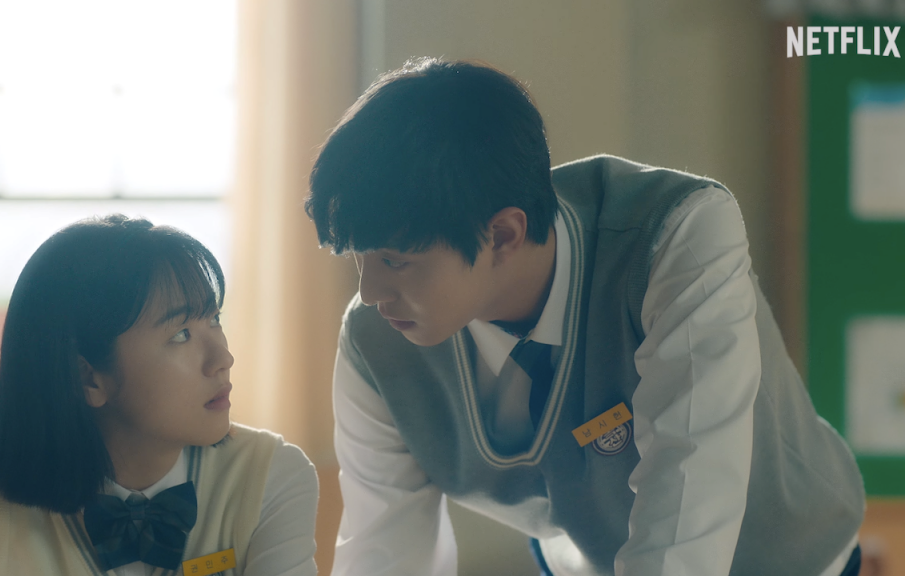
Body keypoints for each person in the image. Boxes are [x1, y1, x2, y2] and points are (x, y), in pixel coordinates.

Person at [305, 58, 865, 576]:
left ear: (503, 234)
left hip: (789, 559)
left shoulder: (675, 236)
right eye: (359, 258)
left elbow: (688, 504)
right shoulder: (375, 342)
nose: (369, 292)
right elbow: (384, 551)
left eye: (395, 261)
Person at [0, 215, 319, 576]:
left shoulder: (269, 476)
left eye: (214, 319)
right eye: (181, 334)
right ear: (89, 379)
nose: (222, 359)